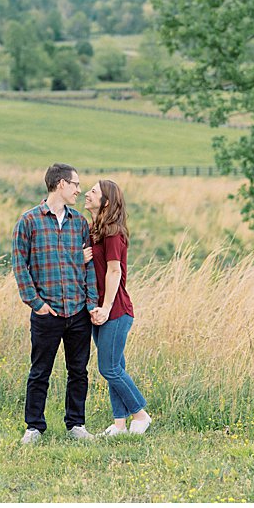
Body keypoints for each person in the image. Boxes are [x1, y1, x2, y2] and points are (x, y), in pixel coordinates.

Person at [11, 162, 96, 445]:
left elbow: (90, 268)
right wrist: (36, 303)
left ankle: (76, 424)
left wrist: (91, 302)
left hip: (77, 311)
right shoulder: (29, 221)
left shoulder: (80, 224)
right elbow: (19, 266)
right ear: (61, 184)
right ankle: (34, 427)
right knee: (40, 372)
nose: (79, 190)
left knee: (78, 372)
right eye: (75, 185)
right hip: (47, 312)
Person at [83, 179, 151, 436]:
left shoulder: (112, 231)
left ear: (106, 202)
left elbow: (114, 270)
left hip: (116, 310)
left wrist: (106, 308)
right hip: (99, 310)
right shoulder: (95, 230)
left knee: (108, 368)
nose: (86, 194)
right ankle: (120, 424)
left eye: (93, 192)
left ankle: (141, 415)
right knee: (115, 368)